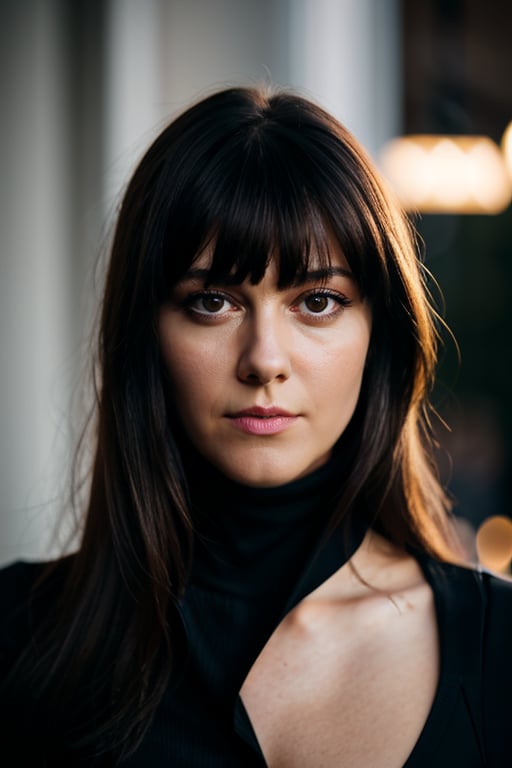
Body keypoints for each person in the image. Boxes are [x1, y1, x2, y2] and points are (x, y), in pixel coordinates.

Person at [0, 84, 511, 768]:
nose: (264, 360)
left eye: (318, 301)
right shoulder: (17, 638)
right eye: (212, 302)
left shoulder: (498, 648)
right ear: (145, 333)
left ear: (379, 333)